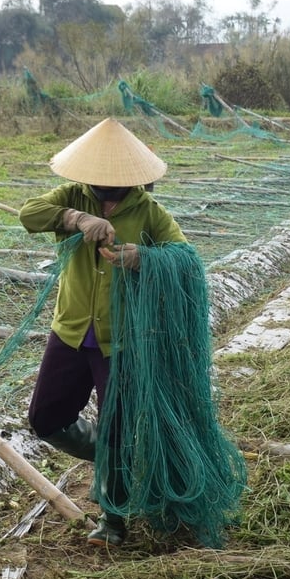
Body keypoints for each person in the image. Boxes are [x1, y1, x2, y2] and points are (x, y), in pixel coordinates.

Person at [19, 118, 186, 547]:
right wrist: (74, 218)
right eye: (100, 184)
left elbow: (184, 258)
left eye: (116, 186)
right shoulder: (72, 196)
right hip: (71, 329)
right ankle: (118, 457)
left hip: (123, 338)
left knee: (116, 423)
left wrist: (142, 257)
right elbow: (29, 214)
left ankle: (113, 520)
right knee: (46, 417)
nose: (107, 193)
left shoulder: (149, 212)